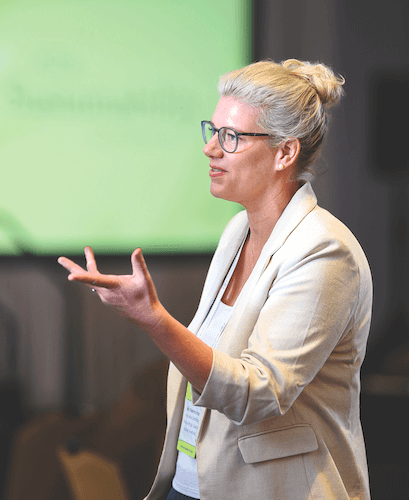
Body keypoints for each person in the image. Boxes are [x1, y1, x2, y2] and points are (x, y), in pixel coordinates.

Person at [59, 59, 371, 499]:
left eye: (232, 137)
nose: (211, 148)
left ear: (285, 152)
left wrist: (153, 319)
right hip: (196, 482)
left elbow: (256, 393)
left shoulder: (324, 251)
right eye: (213, 130)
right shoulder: (236, 231)